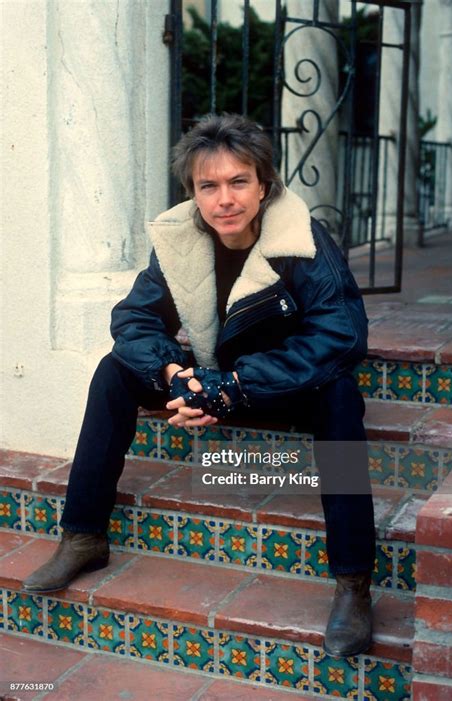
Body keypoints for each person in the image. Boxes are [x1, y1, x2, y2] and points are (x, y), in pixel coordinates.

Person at [23, 114, 375, 657]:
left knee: (342, 397)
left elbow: (340, 335)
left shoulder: (302, 241)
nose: (224, 199)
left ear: (264, 185)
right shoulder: (179, 238)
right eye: (208, 186)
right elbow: (134, 321)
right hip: (209, 380)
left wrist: (234, 385)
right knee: (113, 372)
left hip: (277, 387)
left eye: (238, 182)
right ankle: (83, 534)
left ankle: (353, 581)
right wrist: (176, 376)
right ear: (193, 193)